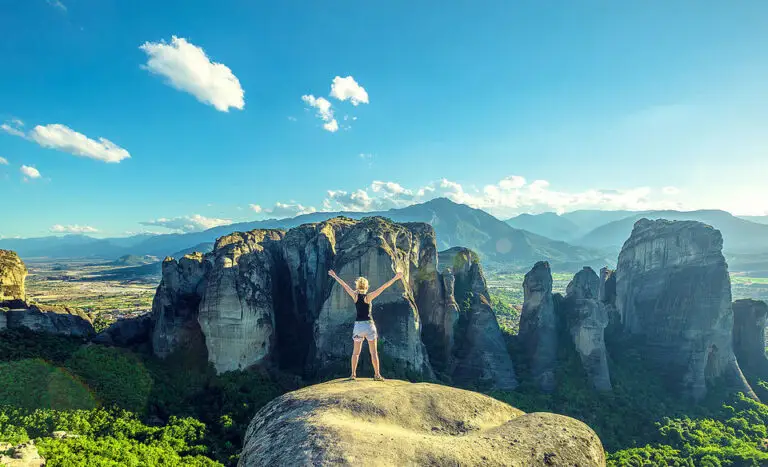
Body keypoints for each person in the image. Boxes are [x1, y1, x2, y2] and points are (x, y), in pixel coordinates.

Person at [328, 269, 404, 381]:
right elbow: (383, 287)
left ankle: (353, 375)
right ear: (367, 286)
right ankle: (377, 375)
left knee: (355, 353)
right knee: (373, 353)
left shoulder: (355, 296)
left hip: (358, 327)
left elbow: (344, 285)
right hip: (369, 326)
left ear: (357, 286)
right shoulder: (369, 297)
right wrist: (395, 278)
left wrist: (335, 276)